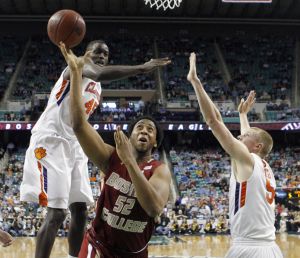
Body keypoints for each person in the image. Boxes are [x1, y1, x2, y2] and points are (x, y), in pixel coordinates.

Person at [20, 39, 170, 258]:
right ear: (86, 53)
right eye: (98, 52)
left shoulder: (97, 87)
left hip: (73, 143)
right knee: (57, 213)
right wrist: (142, 67)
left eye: (106, 54)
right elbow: (98, 73)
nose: (102, 56)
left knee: (80, 210)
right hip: (51, 139)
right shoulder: (77, 67)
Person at [187, 53, 283, 258]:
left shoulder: (247, 158)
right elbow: (247, 138)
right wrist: (242, 115)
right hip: (270, 248)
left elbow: (214, 121)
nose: (240, 134)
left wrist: (195, 82)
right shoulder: (262, 164)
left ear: (256, 146)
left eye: (244, 135)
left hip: (250, 248)